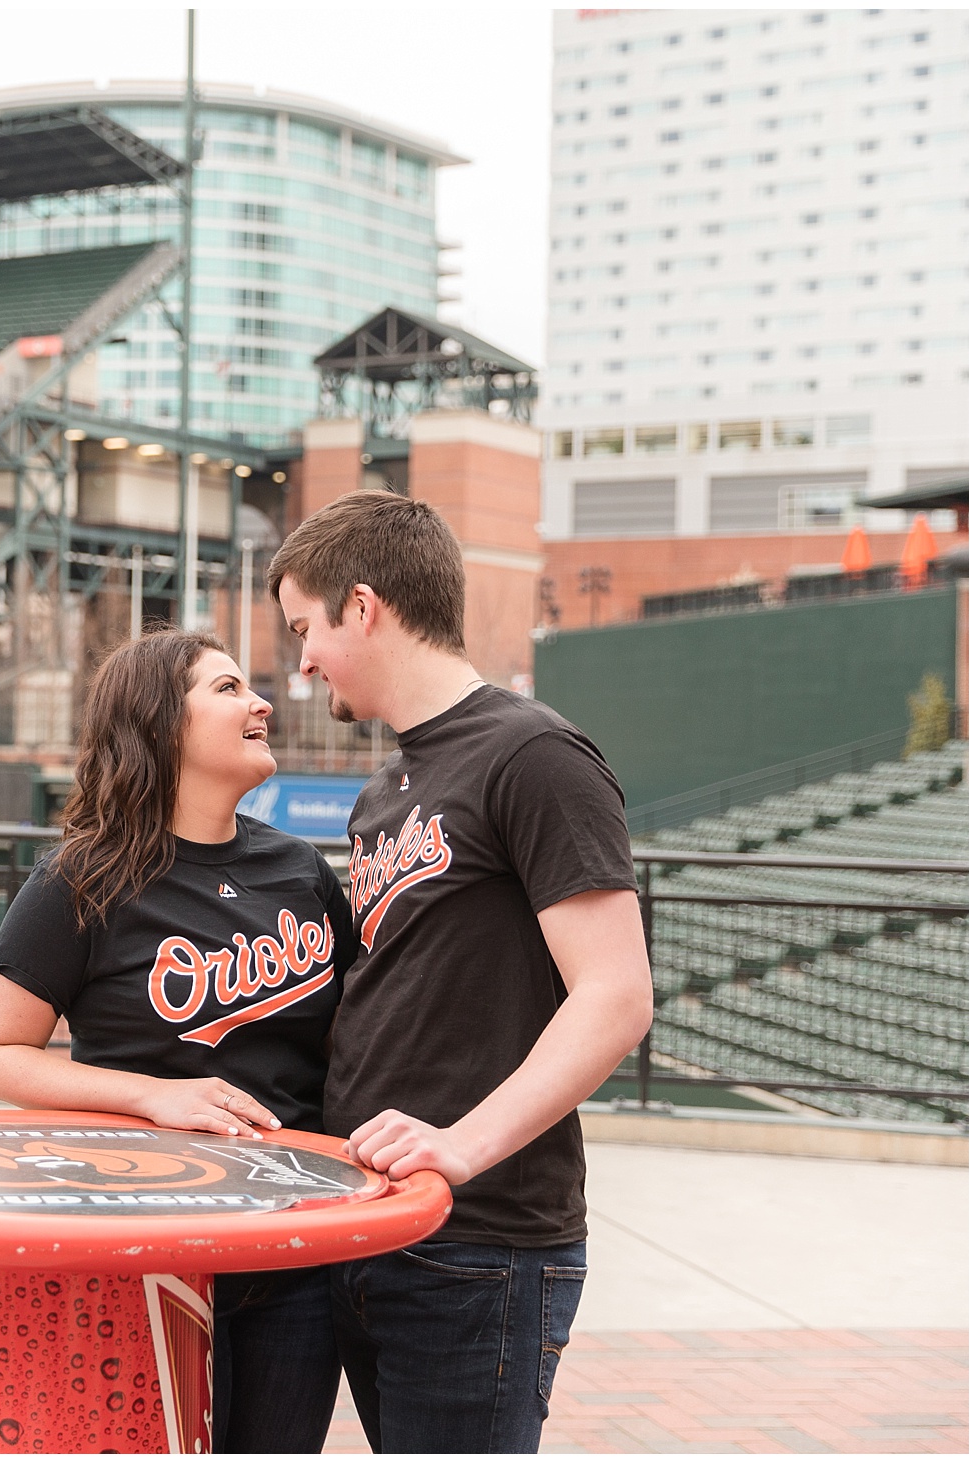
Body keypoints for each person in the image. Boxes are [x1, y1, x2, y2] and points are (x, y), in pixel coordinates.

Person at [266, 490, 654, 1454]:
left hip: (480, 1241)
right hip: (372, 1223)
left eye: (304, 626)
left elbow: (615, 996)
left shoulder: (534, 754)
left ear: (363, 606)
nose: (301, 659)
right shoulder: (384, 788)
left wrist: (464, 1145)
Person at [0, 627, 360, 1454]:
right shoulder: (81, 876)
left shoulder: (301, 870)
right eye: (225, 688)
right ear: (157, 722)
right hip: (145, 1241)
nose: (259, 702)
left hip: (293, 1246)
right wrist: (149, 1093)